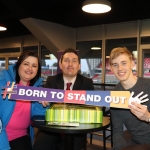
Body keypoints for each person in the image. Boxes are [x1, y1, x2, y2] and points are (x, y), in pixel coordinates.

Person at [33, 48, 94, 150]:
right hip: (52, 127)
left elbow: (91, 108)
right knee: (40, 144)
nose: (70, 64)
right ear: (60, 65)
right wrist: (44, 102)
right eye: (66, 60)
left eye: (74, 61)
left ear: (79, 66)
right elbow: (43, 105)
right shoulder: (51, 80)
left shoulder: (87, 82)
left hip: (76, 128)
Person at [0, 51, 49, 150]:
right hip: (2, 137)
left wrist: (42, 105)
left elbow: (38, 117)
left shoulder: (37, 89)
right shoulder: (3, 82)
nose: (30, 68)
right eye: (26, 64)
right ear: (18, 66)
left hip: (22, 137)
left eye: (34, 66)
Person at [109, 47, 150, 150]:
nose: (120, 69)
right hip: (137, 143)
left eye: (124, 63)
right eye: (115, 65)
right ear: (111, 68)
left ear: (132, 64)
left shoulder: (148, 85)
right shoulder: (115, 95)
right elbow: (117, 131)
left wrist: (148, 117)